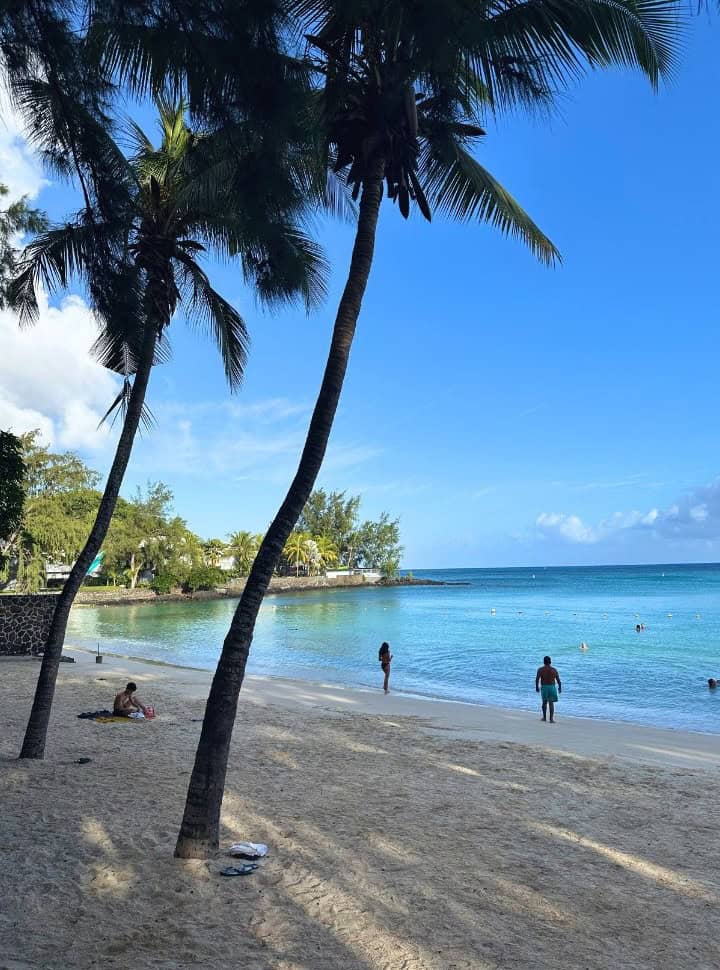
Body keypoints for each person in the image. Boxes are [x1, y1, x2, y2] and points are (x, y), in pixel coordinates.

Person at [535, 656, 562, 723]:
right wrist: (560, 687)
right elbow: (558, 680)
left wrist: (537, 687)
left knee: (544, 702)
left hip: (544, 687)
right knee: (551, 703)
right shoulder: (554, 670)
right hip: (552, 687)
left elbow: (537, 679)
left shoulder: (540, 669)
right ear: (550, 661)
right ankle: (551, 719)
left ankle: (544, 717)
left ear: (544, 661)